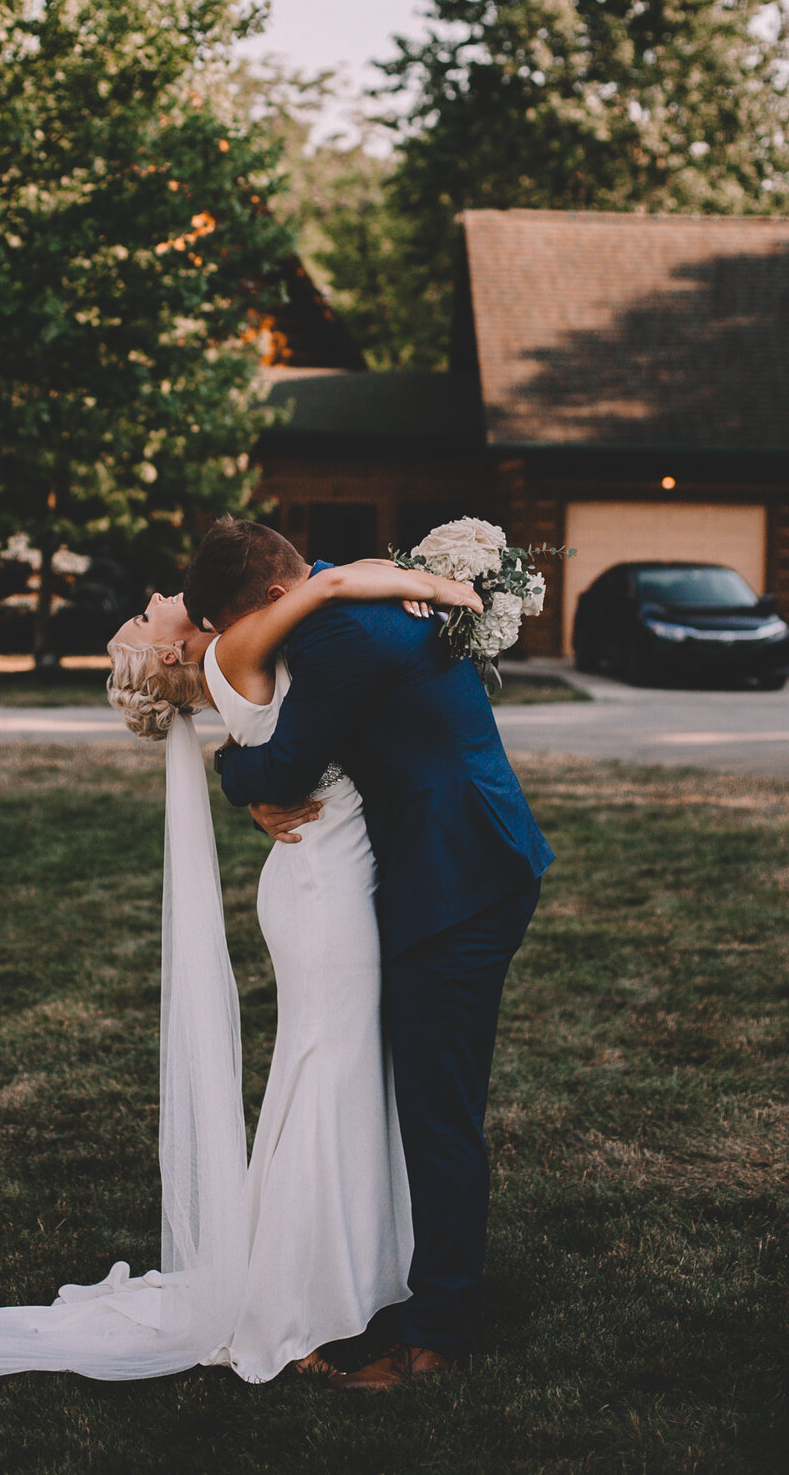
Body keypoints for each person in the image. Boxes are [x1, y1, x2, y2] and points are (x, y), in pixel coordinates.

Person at [0, 550, 481, 1387]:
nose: (156, 597)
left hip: (329, 887)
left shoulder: (242, 657)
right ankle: (304, 1302)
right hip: (328, 898)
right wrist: (439, 586)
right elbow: (327, 584)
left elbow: (325, 597)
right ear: (168, 654)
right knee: (327, 1078)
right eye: (147, 616)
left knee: (333, 1077)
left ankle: (347, 1276)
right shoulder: (240, 648)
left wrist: (408, 574)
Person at [183, 518, 555, 1392]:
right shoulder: (358, 589)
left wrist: (231, 771)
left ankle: (437, 1342)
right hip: (457, 856)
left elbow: (282, 771)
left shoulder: (340, 630)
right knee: (425, 1097)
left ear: (277, 601)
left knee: (438, 1108)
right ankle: (401, 1287)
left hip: (457, 875)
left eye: (254, 628)